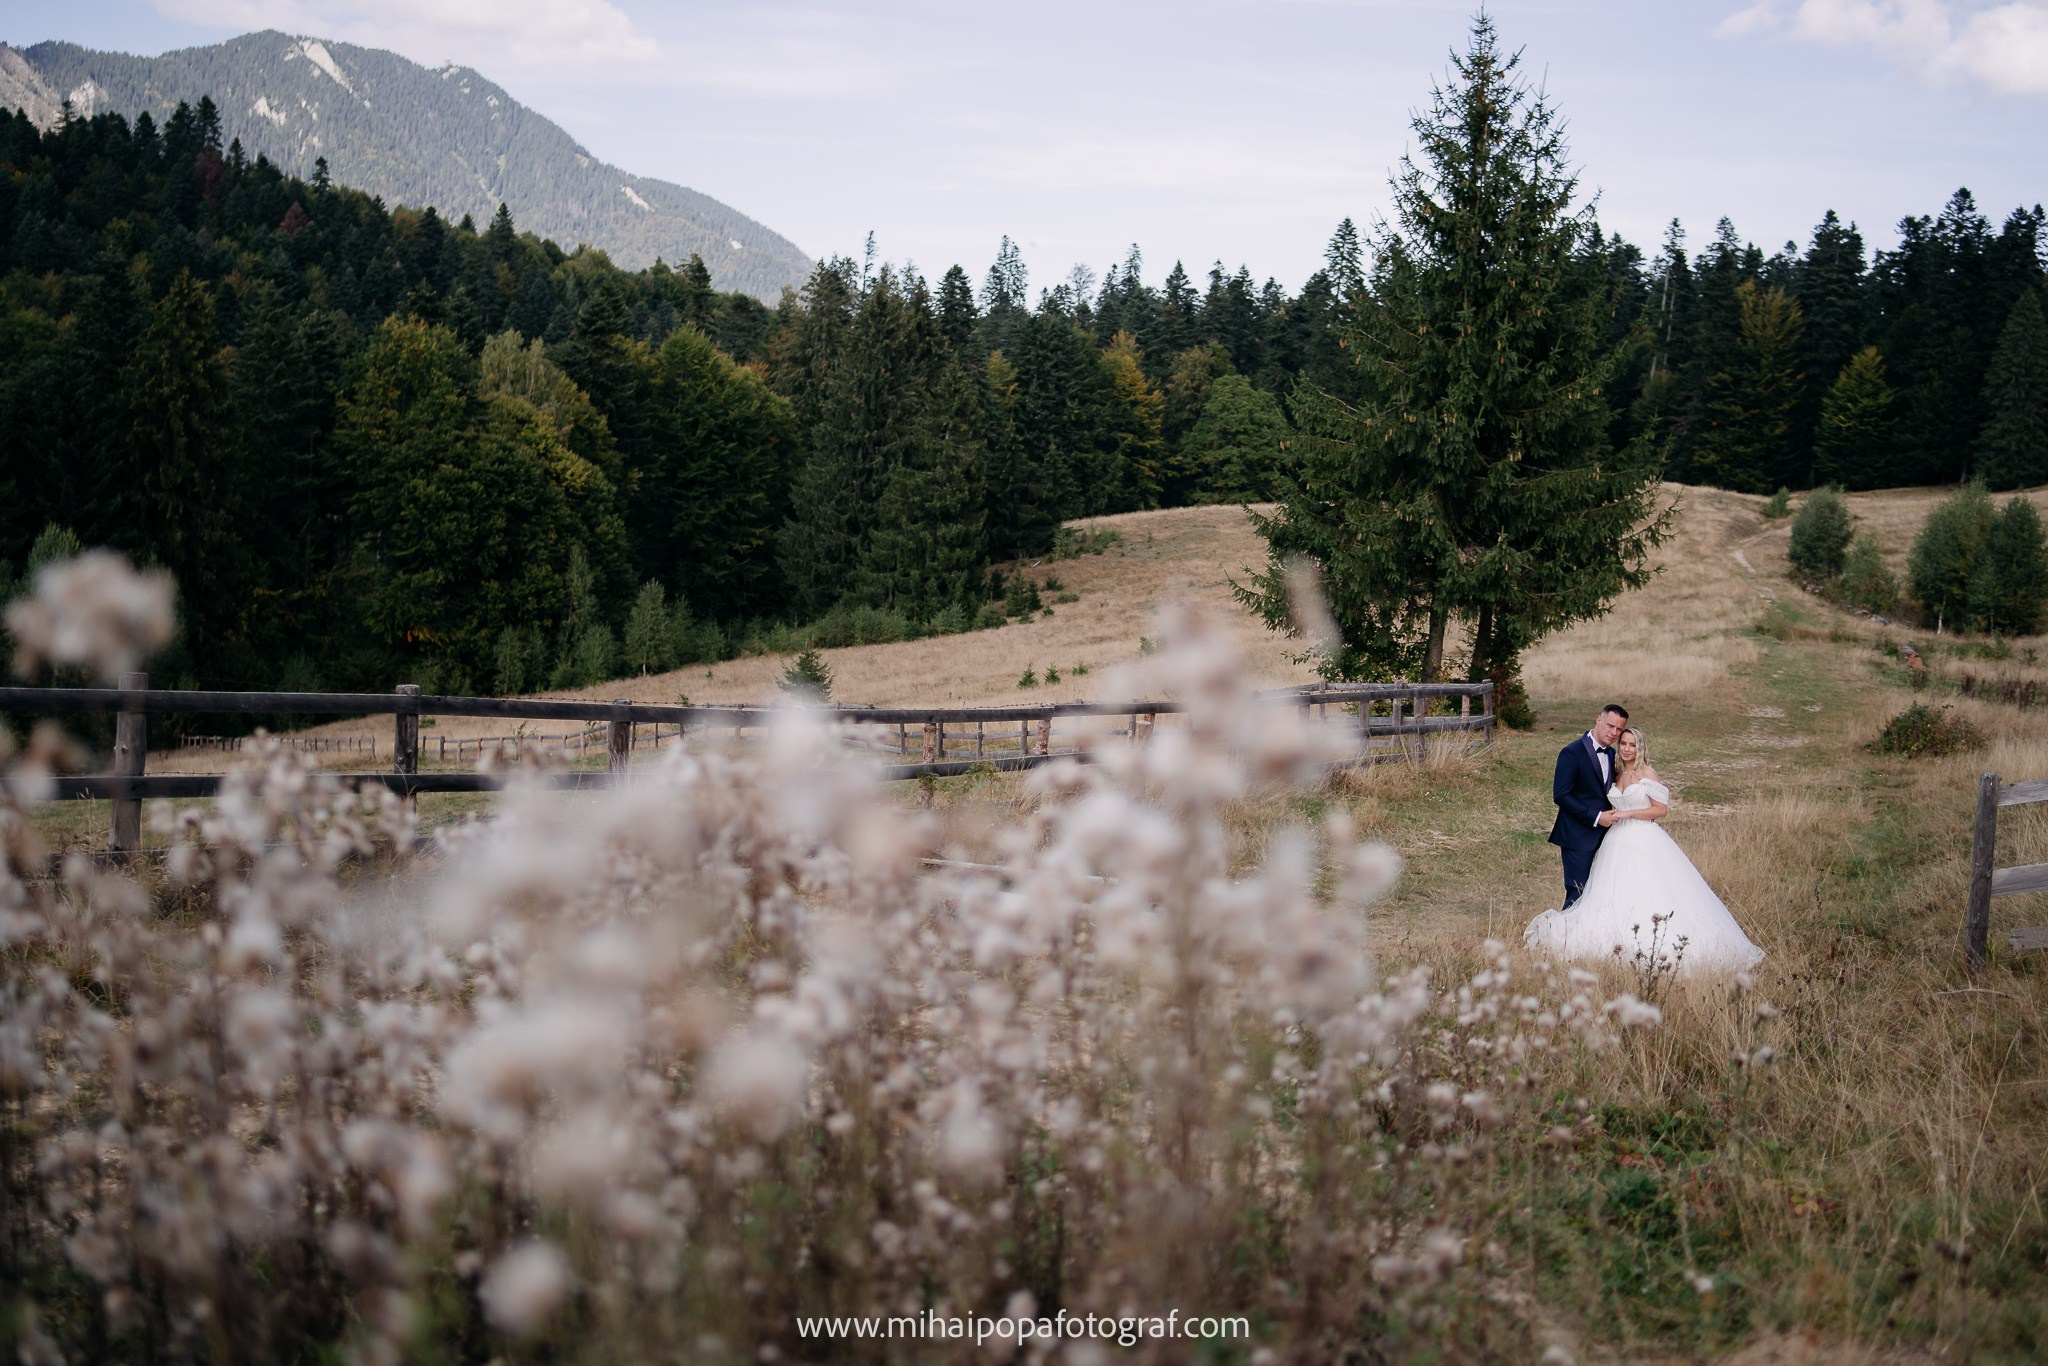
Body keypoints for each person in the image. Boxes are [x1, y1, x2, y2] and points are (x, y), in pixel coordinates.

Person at [1525, 725, 1765, 974]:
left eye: (1633, 744)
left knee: (1646, 887)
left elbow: (1660, 810)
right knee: (1613, 890)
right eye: (1624, 743)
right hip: (1615, 840)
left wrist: (1628, 813)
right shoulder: (1617, 773)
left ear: (1640, 747)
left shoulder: (1647, 773)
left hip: (1642, 837)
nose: (1627, 749)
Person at [1549, 704, 1625, 909]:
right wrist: (1597, 816)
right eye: (1610, 726)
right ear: (1598, 720)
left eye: (1619, 730)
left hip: (1606, 837)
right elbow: (1561, 795)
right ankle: (1564, 938)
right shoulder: (1571, 752)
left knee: (1601, 892)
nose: (1614, 733)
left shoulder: (1611, 755)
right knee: (1578, 892)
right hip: (1577, 835)